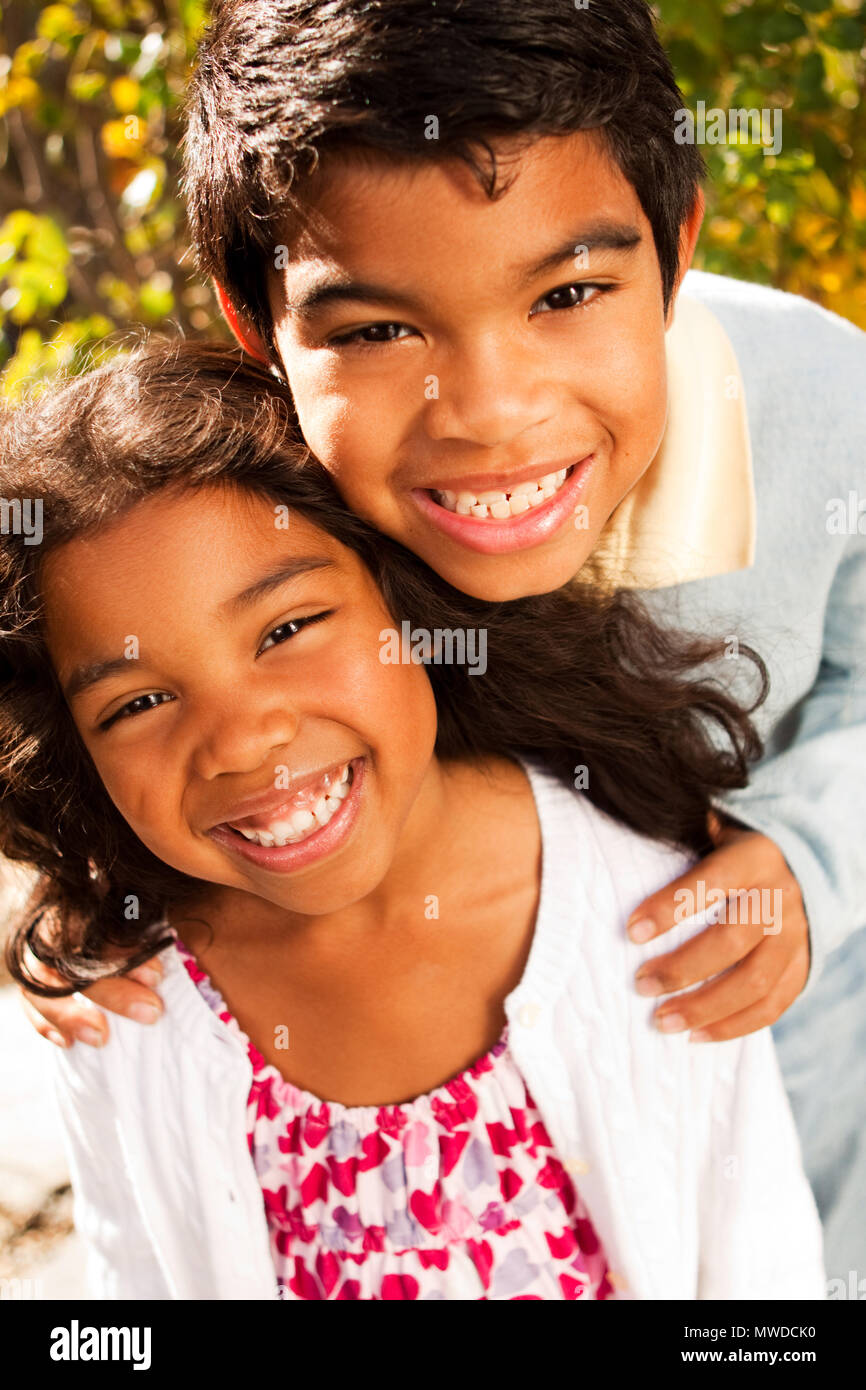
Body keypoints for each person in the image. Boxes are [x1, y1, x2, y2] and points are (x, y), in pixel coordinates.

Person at [17, 0, 866, 1280]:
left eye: (569, 292)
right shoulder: (261, 493)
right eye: (374, 332)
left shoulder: (817, 398)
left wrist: (809, 857)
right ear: (261, 329)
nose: (487, 415)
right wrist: (82, 883)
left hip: (795, 1147)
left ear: (674, 248)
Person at [0, 341, 823, 1299]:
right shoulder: (123, 1005)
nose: (240, 740)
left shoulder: (650, 906)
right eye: (136, 704)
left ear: (405, 602)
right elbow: (127, 1292)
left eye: (285, 630)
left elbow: (766, 1280)